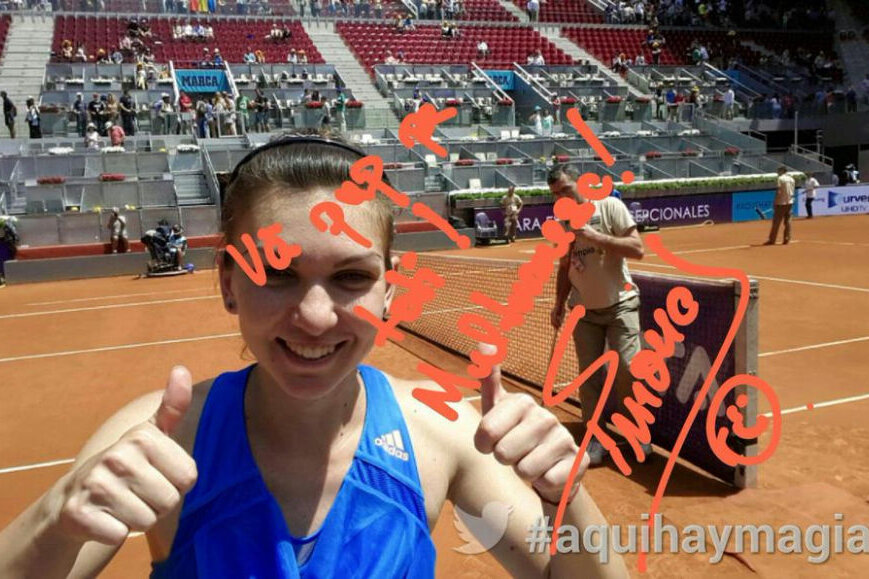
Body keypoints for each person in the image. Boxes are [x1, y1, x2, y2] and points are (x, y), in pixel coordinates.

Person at [0, 133, 626, 578]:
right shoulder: (157, 439)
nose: (316, 316)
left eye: (352, 277)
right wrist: (57, 515)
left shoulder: (444, 433)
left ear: (389, 291)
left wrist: (568, 498)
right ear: (227, 283)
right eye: (276, 273)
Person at [548, 164, 649, 466]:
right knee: (589, 377)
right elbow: (565, 267)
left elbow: (637, 248)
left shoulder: (609, 207)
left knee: (629, 369)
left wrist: (595, 236)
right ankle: (595, 437)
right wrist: (558, 303)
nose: (561, 198)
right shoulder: (563, 225)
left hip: (621, 305)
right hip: (584, 311)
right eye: (555, 194)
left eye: (565, 190)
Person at [765, 166, 795, 245]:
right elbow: (792, 191)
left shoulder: (780, 179)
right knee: (788, 222)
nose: (777, 172)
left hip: (781, 203)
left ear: (782, 171)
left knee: (776, 222)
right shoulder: (792, 179)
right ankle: (787, 238)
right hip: (790, 202)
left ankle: (772, 239)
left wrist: (775, 202)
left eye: (778, 171)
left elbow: (778, 191)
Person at [0, 215, 19, 287]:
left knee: (6, 261)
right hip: (5, 246)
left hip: (5, 246)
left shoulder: (5, 225)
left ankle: (7, 276)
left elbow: (13, 236)